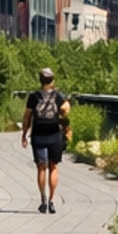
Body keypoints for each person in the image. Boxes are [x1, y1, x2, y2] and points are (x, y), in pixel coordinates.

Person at [21, 67, 70, 214]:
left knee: (41, 167)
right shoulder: (58, 96)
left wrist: (24, 134)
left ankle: (42, 199)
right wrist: (65, 127)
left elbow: (27, 117)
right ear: (52, 80)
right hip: (54, 134)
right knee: (53, 166)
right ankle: (51, 200)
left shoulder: (34, 97)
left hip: (38, 135)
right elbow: (66, 109)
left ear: (40, 80)